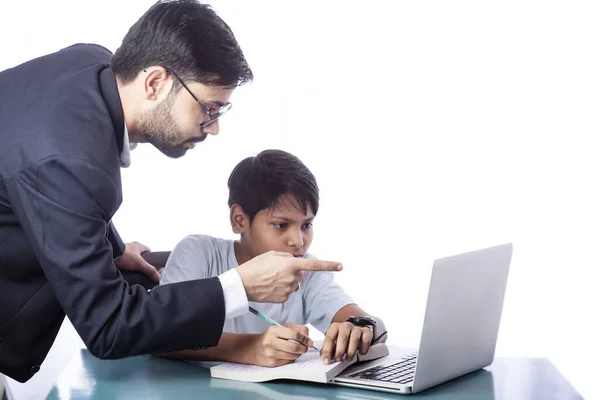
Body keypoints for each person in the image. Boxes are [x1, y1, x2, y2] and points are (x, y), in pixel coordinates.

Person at [0, 0, 341, 383]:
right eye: (209, 109)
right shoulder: (68, 158)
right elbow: (108, 328)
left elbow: (40, 187)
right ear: (155, 82)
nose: (213, 128)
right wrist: (239, 284)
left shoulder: (91, 66)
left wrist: (108, 247)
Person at [157, 150, 387, 367]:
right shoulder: (199, 252)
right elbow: (160, 334)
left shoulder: (305, 269)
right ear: (239, 220)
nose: (298, 241)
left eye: (306, 225)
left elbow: (362, 320)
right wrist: (249, 348)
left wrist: (360, 327)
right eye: (281, 225)